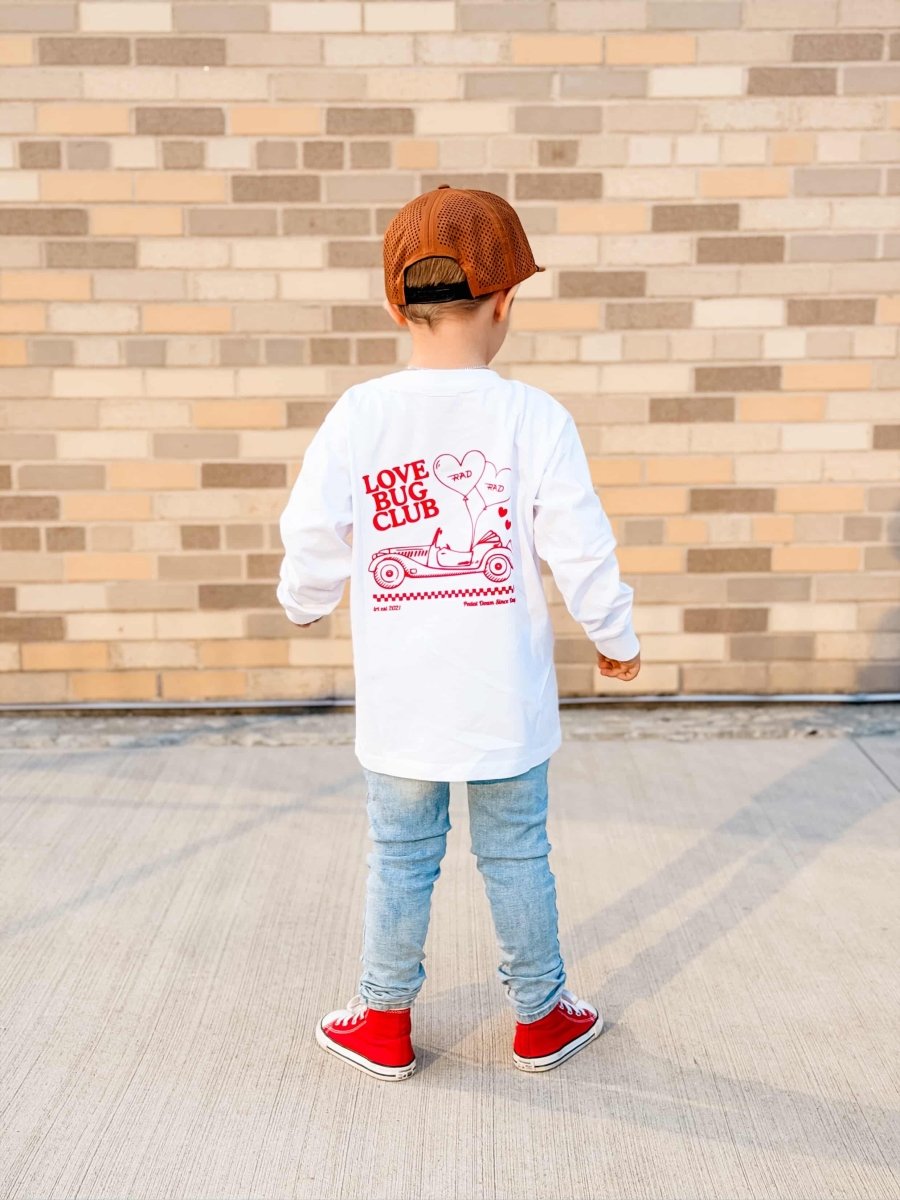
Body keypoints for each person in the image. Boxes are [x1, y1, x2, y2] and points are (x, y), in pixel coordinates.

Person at [277, 184, 642, 1082]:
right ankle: (541, 1017)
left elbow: (315, 529)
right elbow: (580, 543)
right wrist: (615, 634)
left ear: (395, 305)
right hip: (504, 703)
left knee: (400, 857)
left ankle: (384, 1020)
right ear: (505, 301)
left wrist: (305, 598)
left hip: (402, 703)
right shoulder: (533, 417)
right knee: (517, 854)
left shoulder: (360, 414)